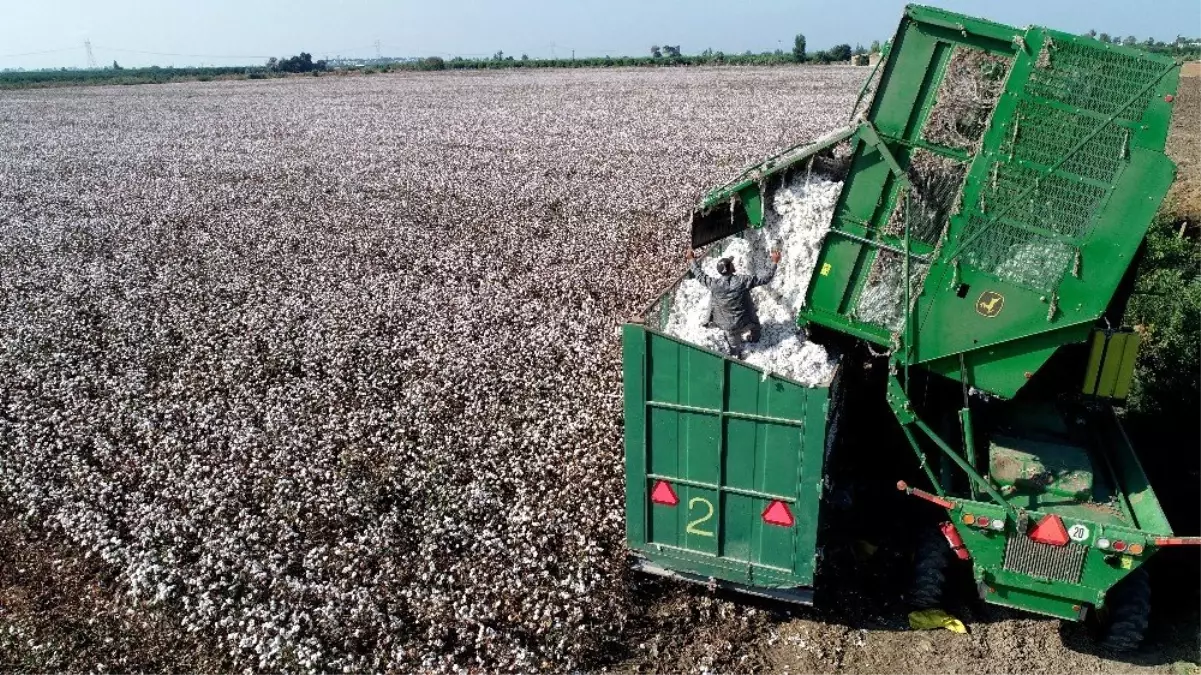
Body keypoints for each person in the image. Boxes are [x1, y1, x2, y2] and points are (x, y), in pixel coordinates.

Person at [686, 247, 782, 359]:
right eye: (732, 264)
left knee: (734, 353)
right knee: (756, 327)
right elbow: (765, 278)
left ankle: (737, 357)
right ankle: (754, 339)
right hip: (746, 322)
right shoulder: (742, 281)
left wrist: (691, 260)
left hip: (729, 327)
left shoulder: (714, 285)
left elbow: (700, 275)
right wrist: (774, 262)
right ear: (731, 268)